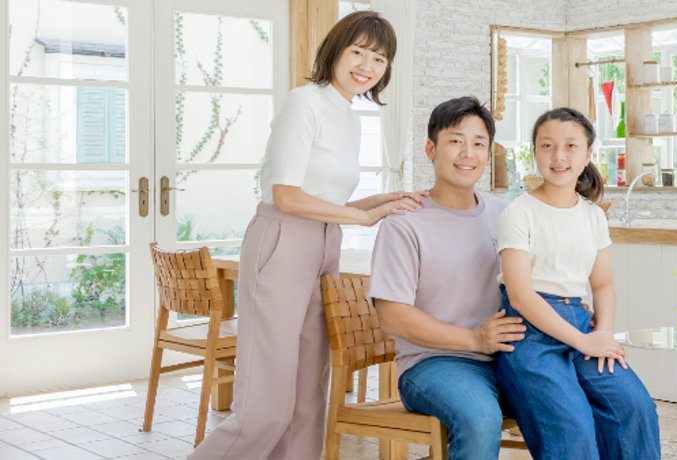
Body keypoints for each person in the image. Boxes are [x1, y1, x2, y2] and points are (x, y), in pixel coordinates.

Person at [189, 11, 421, 460]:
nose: (367, 65)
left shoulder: (350, 116)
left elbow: (324, 201)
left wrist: (381, 202)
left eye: (379, 58)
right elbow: (287, 196)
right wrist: (361, 220)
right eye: (358, 51)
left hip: (324, 244)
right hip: (283, 242)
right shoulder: (305, 102)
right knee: (265, 405)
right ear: (335, 50)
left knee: (308, 399)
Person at [493, 107, 660, 459]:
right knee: (572, 428)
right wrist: (584, 340)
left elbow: (603, 286)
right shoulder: (517, 213)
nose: (559, 156)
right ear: (535, 151)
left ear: (588, 154)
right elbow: (520, 296)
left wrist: (603, 335)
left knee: (635, 406)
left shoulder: (593, 215)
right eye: (547, 145)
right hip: (530, 334)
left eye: (571, 146)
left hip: (581, 325)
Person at [369, 96, 524, 460]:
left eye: (478, 143)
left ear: (488, 154)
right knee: (479, 419)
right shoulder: (404, 223)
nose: (467, 153)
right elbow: (392, 316)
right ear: (431, 149)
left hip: (506, 358)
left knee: (578, 400)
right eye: (455, 141)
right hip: (433, 363)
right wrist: (475, 339)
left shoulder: (505, 215)